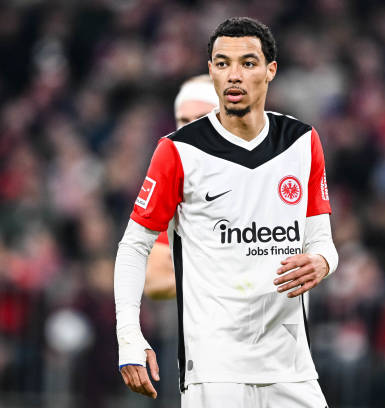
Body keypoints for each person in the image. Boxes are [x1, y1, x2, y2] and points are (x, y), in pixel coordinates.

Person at [114, 17, 338, 407]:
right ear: (211, 71)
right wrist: (129, 337)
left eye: (247, 63)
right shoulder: (178, 151)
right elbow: (134, 246)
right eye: (222, 63)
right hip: (215, 369)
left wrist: (322, 262)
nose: (234, 74)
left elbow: (322, 242)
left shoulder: (302, 142)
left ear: (271, 70)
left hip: (291, 366)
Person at [144, 74, 219, 300]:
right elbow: (154, 281)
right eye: (184, 121)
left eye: (203, 118)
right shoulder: (176, 191)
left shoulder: (272, 171)